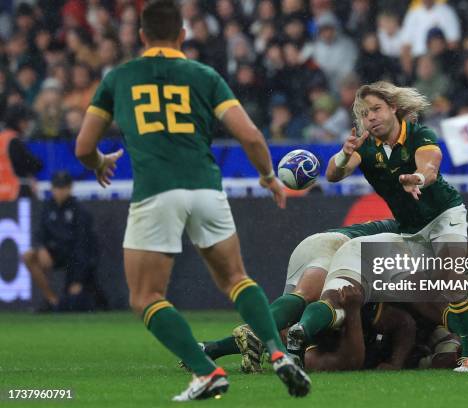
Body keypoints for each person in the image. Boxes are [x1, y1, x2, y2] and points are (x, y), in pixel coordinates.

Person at [74, 0, 309, 401]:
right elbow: (251, 135)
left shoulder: (120, 77)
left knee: (146, 297)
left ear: (142, 36)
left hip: (156, 192)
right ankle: (276, 351)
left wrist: (100, 162)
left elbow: (83, 147)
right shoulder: (203, 75)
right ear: (182, 36)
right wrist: (269, 177)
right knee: (237, 279)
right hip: (205, 189)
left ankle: (206, 372)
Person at [318, 80, 468, 372]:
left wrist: (416, 178)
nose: (371, 118)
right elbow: (332, 174)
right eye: (365, 113)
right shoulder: (365, 146)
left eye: (377, 109)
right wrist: (343, 154)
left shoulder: (419, 134)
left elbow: (430, 166)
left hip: (444, 215)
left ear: (393, 108)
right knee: (422, 289)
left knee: (451, 276)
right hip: (411, 229)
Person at [196, 219, 399, 373]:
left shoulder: (392, 226)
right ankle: (268, 332)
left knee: (295, 310)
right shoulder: (409, 235)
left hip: (316, 243)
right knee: (332, 303)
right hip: (340, 247)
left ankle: (209, 349)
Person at [23, 171, 99, 312]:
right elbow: (39, 233)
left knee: (75, 301)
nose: (59, 191)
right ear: (52, 188)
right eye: (57, 187)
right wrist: (40, 247)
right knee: (28, 256)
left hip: (72, 255)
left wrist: (78, 279)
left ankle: (65, 299)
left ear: (70, 188)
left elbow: (83, 245)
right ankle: (51, 299)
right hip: (53, 253)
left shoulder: (79, 210)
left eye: (63, 187)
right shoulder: (47, 207)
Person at [0, 104, 42, 200]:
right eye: (26, 121)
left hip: (3, 192)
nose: (27, 125)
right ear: (19, 122)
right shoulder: (14, 140)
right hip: (17, 191)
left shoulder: (2, 139)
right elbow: (32, 164)